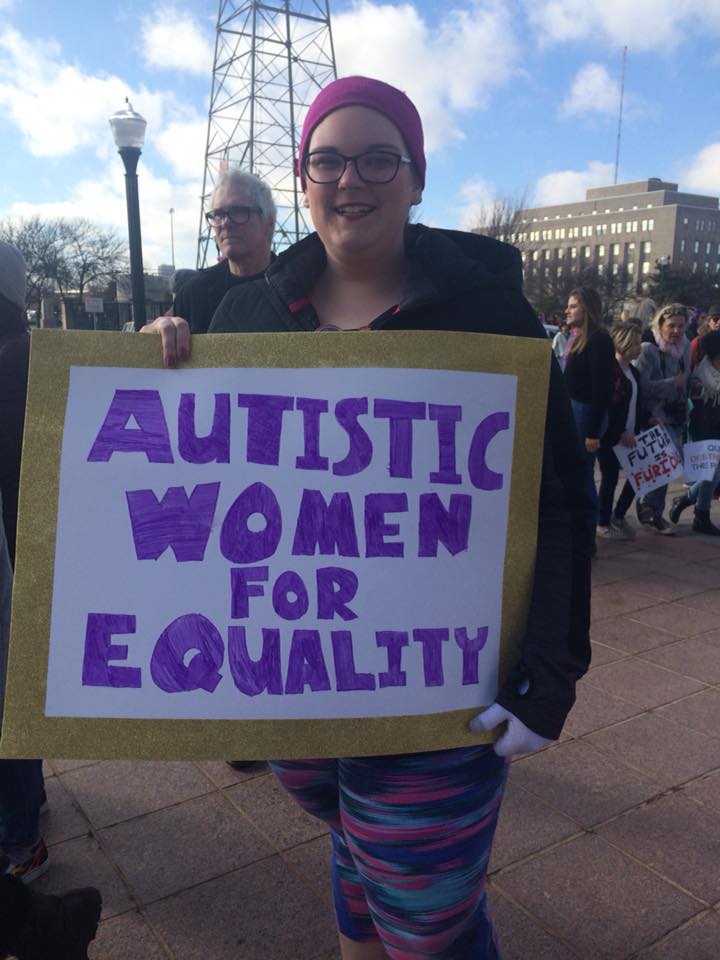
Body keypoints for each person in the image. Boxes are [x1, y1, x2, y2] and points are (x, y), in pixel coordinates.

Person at [143, 75, 592, 959]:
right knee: (352, 855)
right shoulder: (244, 314)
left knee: (428, 925)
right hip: (293, 693)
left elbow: (560, 503)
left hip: (439, 691)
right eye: (329, 160)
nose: (352, 179)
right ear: (304, 181)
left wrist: (550, 669)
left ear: (417, 177)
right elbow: (194, 477)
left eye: (379, 158)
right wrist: (160, 369)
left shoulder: (489, 314)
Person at [0, 241, 47, 883]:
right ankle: (25, 813)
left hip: (14, 549)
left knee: (8, 696)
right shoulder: (27, 356)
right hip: (23, 545)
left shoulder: (19, 363)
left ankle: (20, 834)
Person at [162, 170, 276, 336]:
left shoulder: (298, 289)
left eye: (238, 211)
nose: (225, 223)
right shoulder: (193, 295)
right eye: (218, 214)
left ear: (269, 223)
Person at [562, 286, 615, 542]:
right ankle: (581, 529)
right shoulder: (579, 338)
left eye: (573, 306)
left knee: (583, 474)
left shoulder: (599, 340)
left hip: (585, 414)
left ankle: (586, 534)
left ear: (587, 308)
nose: (567, 310)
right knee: (577, 473)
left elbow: (602, 388)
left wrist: (593, 431)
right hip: (575, 410)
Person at [633, 303, 690, 534]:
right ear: (660, 325)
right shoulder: (648, 349)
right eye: (671, 326)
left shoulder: (684, 347)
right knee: (666, 462)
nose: (676, 331)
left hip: (675, 414)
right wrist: (671, 385)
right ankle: (651, 509)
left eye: (681, 326)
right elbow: (641, 387)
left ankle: (651, 508)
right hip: (653, 416)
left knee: (667, 465)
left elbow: (685, 379)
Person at [596, 322, 645, 539]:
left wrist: (648, 418)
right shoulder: (610, 370)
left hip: (631, 433)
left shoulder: (633, 371)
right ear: (623, 343)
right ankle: (602, 521)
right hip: (611, 435)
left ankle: (618, 514)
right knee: (610, 478)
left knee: (638, 476)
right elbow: (610, 406)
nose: (639, 347)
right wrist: (621, 430)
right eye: (635, 343)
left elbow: (637, 402)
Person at [669, 329, 720, 535]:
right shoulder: (701, 375)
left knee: (713, 473)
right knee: (710, 472)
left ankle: (687, 498)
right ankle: (701, 515)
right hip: (705, 427)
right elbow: (698, 408)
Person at [690, 303, 720, 369]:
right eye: (716, 319)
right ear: (709, 321)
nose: (719, 322)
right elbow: (690, 367)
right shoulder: (697, 342)